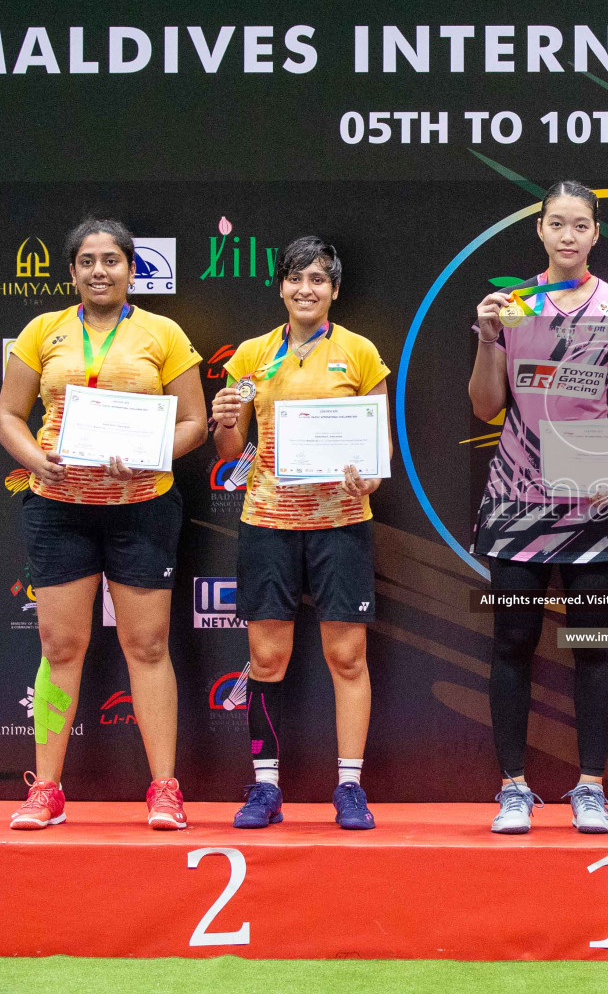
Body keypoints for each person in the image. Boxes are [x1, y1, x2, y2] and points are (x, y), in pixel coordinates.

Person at [0, 218, 206, 830]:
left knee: (146, 647)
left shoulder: (162, 333)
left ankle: (164, 787)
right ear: (72, 272)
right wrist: (37, 459)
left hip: (141, 508)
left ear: (131, 268)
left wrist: (146, 456)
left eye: (111, 260)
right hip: (59, 510)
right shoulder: (44, 331)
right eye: (86, 261)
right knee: (61, 647)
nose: (99, 271)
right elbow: (9, 414)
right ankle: (48, 790)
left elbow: (193, 423)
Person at [468, 181, 608, 834]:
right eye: (557, 224)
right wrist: (491, 337)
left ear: (596, 234)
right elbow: (485, 407)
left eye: (581, 225)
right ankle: (514, 788)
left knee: (592, 645)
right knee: (514, 642)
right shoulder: (511, 306)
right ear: (540, 231)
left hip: (595, 507)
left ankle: (591, 788)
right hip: (518, 501)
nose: (568, 235)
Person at [209, 237, 391, 830]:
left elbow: (378, 448)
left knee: (347, 655)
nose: (305, 289)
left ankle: (350, 787)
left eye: (318, 279)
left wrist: (370, 478)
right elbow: (231, 449)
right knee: (267, 657)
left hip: (341, 523)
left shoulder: (360, 352)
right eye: (295, 278)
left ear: (334, 290)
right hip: (268, 521)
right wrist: (225, 424)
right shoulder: (252, 357)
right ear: (280, 286)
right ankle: (265, 788)